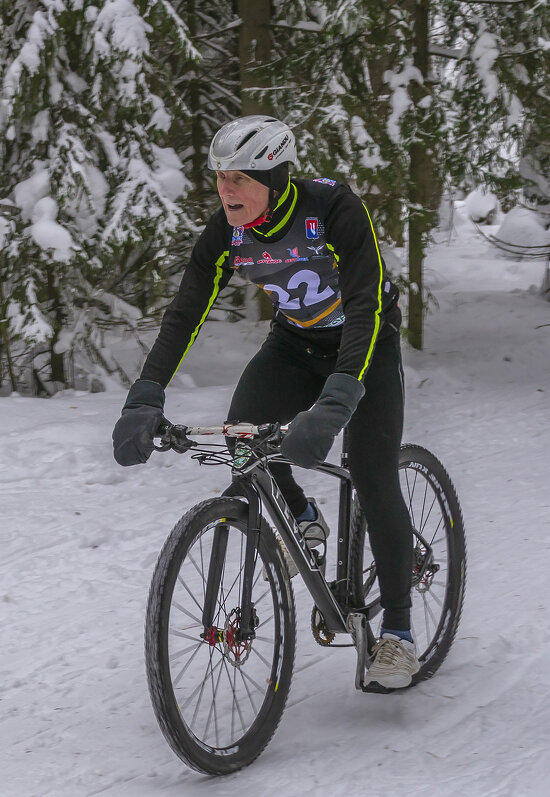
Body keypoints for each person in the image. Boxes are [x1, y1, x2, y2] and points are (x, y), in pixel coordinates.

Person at [111, 115, 419, 690]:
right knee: (244, 438)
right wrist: (144, 396)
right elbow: (184, 314)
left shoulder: (334, 210)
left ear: (274, 179)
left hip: (365, 342)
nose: (226, 189)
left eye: (240, 178)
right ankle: (300, 512)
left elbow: (366, 305)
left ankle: (398, 632)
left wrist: (335, 404)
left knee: (371, 475)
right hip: (295, 342)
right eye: (221, 177)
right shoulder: (225, 232)